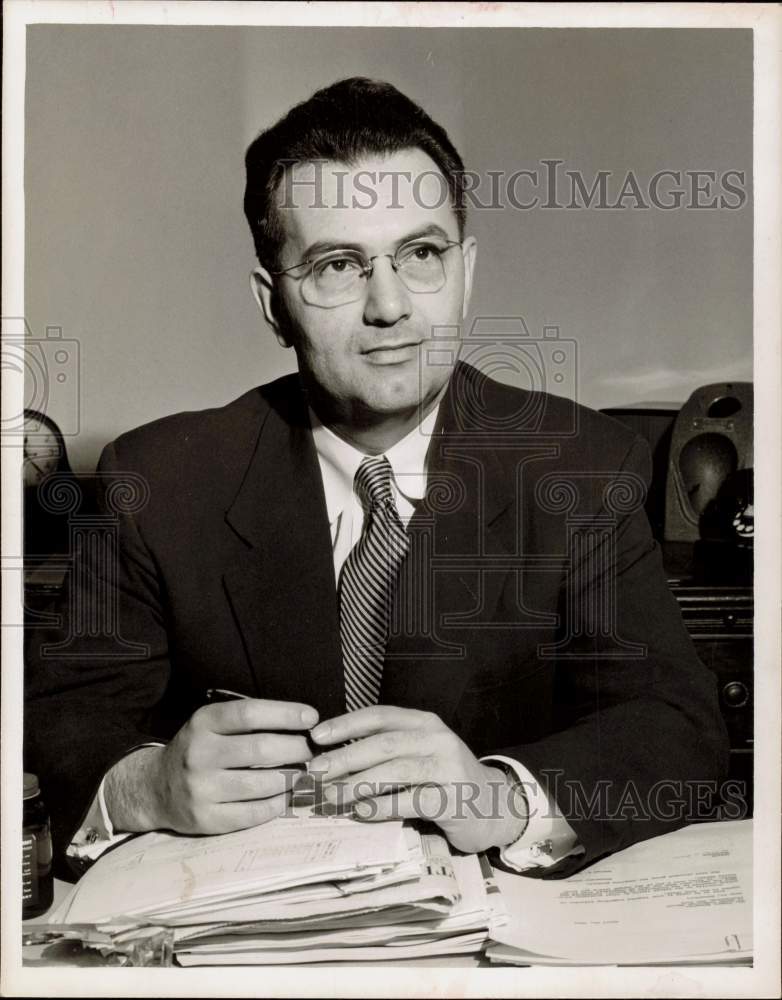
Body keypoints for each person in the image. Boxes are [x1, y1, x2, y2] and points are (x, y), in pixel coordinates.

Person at [25, 77, 728, 882]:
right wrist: (147, 786)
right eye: (337, 265)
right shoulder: (158, 480)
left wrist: (495, 796)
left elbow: (673, 724)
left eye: (421, 254)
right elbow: (58, 721)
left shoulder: (581, 466)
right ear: (272, 302)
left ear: (466, 269)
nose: (389, 305)